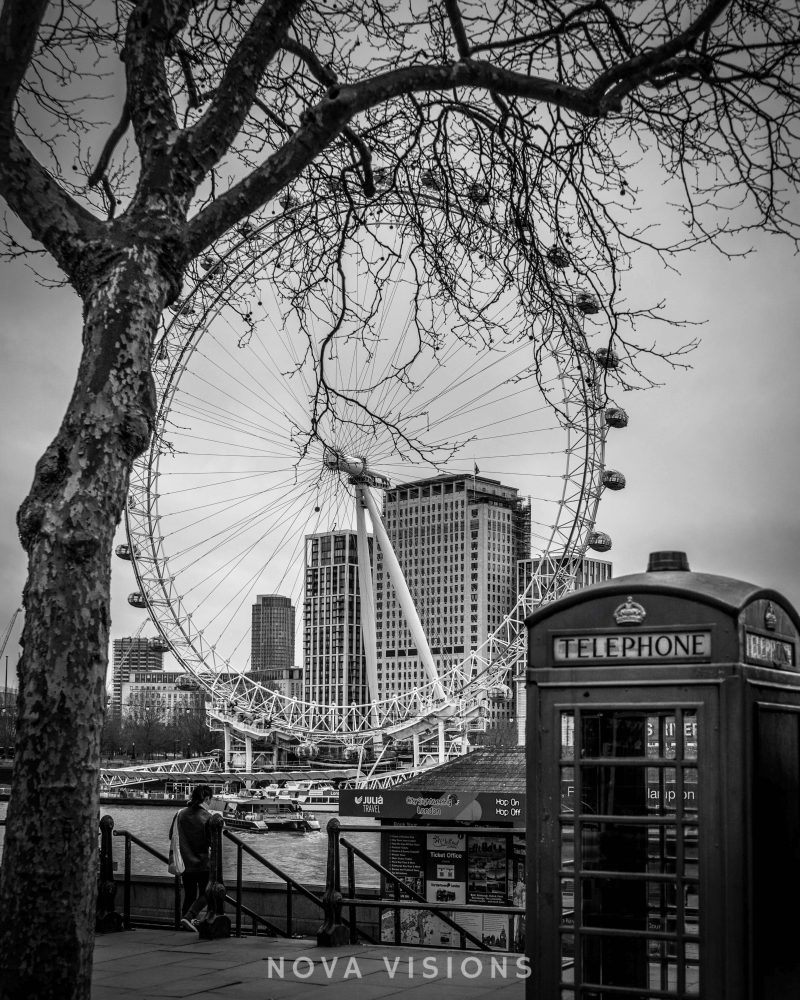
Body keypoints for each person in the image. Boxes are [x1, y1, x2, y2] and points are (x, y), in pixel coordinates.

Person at [169, 784, 213, 932]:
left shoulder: (180, 813)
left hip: (184, 862)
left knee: (189, 894)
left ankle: (184, 923)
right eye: (210, 799)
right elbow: (212, 841)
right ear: (206, 799)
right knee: (208, 892)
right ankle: (189, 917)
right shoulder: (208, 817)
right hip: (202, 863)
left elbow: (171, 836)